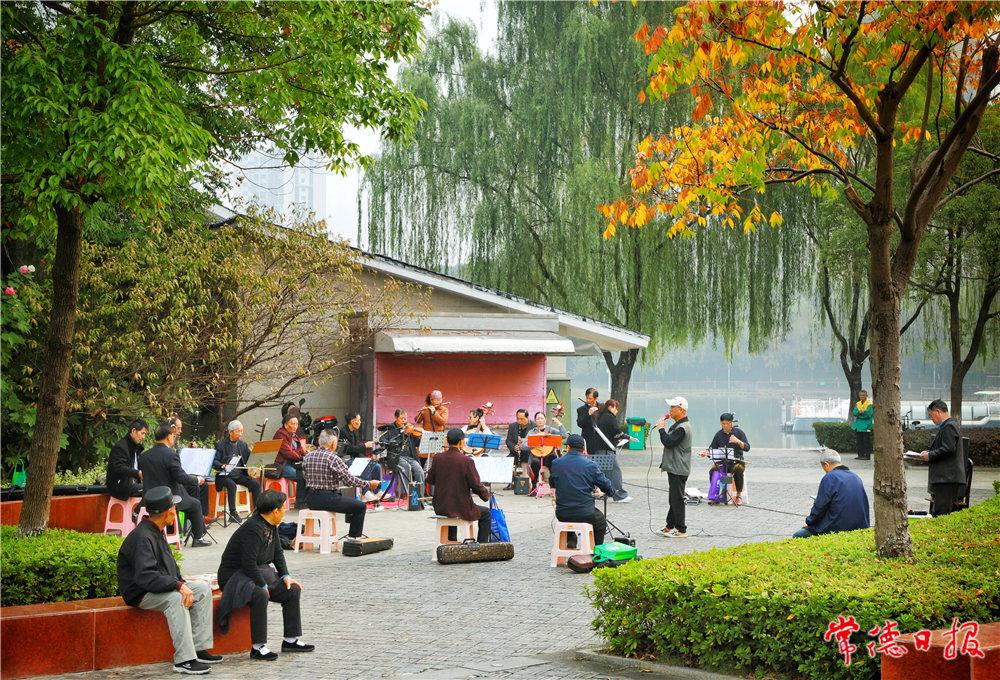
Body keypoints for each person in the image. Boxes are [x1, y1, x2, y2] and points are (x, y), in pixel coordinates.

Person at [116, 486, 219, 675]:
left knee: (202, 590)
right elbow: (145, 577)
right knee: (175, 600)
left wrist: (180, 582)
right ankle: (184, 660)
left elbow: (167, 566)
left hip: (159, 586)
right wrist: (177, 586)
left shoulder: (156, 529)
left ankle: (198, 649)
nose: (176, 511)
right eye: (174, 507)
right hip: (141, 593)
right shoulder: (142, 536)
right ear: (168, 511)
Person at [217, 490, 314, 661]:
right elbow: (248, 563)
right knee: (260, 594)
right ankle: (257, 647)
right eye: (284, 508)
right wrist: (262, 585)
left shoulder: (271, 524)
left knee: (291, 590)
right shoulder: (254, 528)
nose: (285, 511)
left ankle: (290, 640)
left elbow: (277, 552)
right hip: (234, 576)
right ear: (275, 511)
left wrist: (285, 575)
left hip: (254, 572)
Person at [139, 421, 212, 547]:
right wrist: (197, 480)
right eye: (173, 436)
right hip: (170, 498)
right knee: (195, 504)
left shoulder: (144, 456)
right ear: (168, 437)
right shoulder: (171, 455)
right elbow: (181, 478)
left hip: (149, 498)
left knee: (188, 498)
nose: (173, 439)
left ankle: (176, 533)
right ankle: (198, 538)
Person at [302, 429, 382, 538]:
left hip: (311, 499)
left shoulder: (308, 456)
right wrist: (368, 484)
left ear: (318, 441)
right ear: (334, 444)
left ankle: (324, 538)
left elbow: (305, 475)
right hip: (328, 499)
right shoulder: (334, 458)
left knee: (346, 502)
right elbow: (349, 480)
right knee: (360, 506)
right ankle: (353, 538)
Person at [426, 429, 492, 543]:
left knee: (451, 506)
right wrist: (485, 495)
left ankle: (451, 541)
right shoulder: (466, 461)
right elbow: (476, 484)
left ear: (447, 441)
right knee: (486, 513)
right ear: (462, 442)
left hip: (441, 506)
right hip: (461, 507)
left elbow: (430, 480)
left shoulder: (438, 458)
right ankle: (482, 546)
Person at [549, 434, 614, 545]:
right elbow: (606, 485)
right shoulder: (590, 464)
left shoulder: (556, 463)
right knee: (601, 522)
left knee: (570, 516)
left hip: (562, 513)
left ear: (568, 447)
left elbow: (552, 483)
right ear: (583, 449)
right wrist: (610, 492)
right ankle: (596, 553)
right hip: (585, 512)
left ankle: (570, 539)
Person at [793, 450, 870, 538]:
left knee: (797, 535)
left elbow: (820, 506)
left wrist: (810, 522)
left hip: (837, 527)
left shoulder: (830, 477)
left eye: (824, 468)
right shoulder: (855, 477)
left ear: (827, 464)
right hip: (859, 527)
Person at [919, 399, 966, 517]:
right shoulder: (948, 425)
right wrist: (930, 452)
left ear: (938, 411)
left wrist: (930, 455)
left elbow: (948, 448)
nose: (931, 419)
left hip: (947, 478)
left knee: (943, 511)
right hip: (947, 478)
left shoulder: (949, 426)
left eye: (931, 415)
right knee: (946, 510)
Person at [656, 397, 692, 538]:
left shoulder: (682, 428)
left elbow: (668, 442)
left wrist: (661, 429)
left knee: (677, 499)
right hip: (674, 467)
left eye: (673, 408)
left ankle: (681, 529)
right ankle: (669, 526)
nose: (670, 411)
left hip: (679, 468)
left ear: (681, 410)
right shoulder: (678, 425)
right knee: (674, 498)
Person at [213, 420, 261, 523]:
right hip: (225, 475)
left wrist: (257, 460)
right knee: (231, 485)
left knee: (255, 484)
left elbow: (250, 457)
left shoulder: (243, 445)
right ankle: (233, 513)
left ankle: (257, 511)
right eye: (238, 431)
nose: (240, 434)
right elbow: (215, 461)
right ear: (230, 432)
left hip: (239, 474)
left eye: (241, 431)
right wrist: (222, 465)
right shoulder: (221, 445)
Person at [698, 413, 750, 505]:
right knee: (713, 470)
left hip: (737, 461)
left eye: (728, 423)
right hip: (724, 462)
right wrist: (705, 452)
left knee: (739, 469)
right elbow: (711, 448)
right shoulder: (719, 434)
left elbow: (747, 447)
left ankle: (738, 496)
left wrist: (738, 441)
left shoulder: (739, 433)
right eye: (723, 424)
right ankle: (715, 494)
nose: (725, 426)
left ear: (732, 422)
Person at [594, 399, 633, 503]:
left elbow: (610, 432)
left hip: (600, 448)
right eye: (616, 409)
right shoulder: (609, 417)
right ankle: (619, 495)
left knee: (601, 472)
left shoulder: (601, 416)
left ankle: (601, 492)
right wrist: (627, 437)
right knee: (615, 471)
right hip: (606, 449)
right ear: (611, 407)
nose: (616, 411)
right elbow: (616, 431)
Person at [340, 411, 383, 502]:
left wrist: (365, 458)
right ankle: (365, 493)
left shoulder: (354, 432)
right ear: (352, 421)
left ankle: (377, 490)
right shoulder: (343, 432)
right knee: (364, 465)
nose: (360, 422)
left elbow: (357, 450)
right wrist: (364, 446)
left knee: (376, 465)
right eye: (358, 420)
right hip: (347, 459)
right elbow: (349, 449)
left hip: (355, 458)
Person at [380, 409, 426, 488]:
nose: (404, 420)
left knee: (419, 470)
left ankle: (420, 491)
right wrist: (396, 441)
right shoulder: (390, 429)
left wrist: (423, 437)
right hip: (396, 457)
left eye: (405, 418)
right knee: (406, 466)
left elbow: (417, 442)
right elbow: (383, 440)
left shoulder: (408, 429)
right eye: (402, 418)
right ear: (396, 417)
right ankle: (406, 492)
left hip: (410, 457)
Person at [106, 419, 148, 501]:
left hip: (133, 484)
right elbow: (119, 468)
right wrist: (138, 473)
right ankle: (136, 513)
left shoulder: (136, 448)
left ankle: (138, 512)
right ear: (133, 431)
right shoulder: (120, 447)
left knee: (156, 487)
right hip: (120, 486)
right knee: (151, 490)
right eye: (142, 433)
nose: (143, 437)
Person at [523, 411, 566, 486]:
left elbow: (564, 435)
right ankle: (534, 486)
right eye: (538, 419)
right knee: (534, 462)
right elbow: (523, 446)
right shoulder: (532, 432)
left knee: (553, 459)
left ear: (545, 419)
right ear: (535, 421)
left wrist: (558, 423)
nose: (540, 420)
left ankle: (553, 486)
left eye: (542, 418)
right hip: (536, 456)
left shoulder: (551, 430)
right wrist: (535, 443)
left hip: (549, 455)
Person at [274, 414, 307, 508]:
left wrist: (308, 456)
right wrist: (301, 458)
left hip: (293, 463)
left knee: (309, 474)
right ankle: (299, 502)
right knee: (301, 477)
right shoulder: (280, 434)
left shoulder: (294, 436)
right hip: (282, 465)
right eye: (293, 424)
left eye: (297, 424)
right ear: (285, 425)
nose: (295, 426)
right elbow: (287, 453)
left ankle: (306, 500)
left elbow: (301, 450)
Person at [505, 409, 532, 488]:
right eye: (517, 418)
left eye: (522, 419)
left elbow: (536, 440)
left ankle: (526, 481)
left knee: (526, 458)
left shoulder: (533, 425)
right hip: (516, 452)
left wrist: (526, 441)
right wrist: (514, 447)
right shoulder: (512, 426)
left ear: (527, 418)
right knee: (506, 461)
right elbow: (508, 441)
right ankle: (512, 482)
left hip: (528, 452)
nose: (519, 421)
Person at [576, 388, 600, 455]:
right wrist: (588, 414)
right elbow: (580, 424)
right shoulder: (581, 409)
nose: (588, 400)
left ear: (596, 399)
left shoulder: (601, 408)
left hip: (600, 441)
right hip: (588, 440)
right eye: (587, 398)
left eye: (590, 398)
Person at [852, 390, 874, 461]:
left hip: (866, 425)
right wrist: (860, 412)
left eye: (863, 395)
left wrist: (861, 414)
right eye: (860, 395)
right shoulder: (857, 404)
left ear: (866, 396)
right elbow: (855, 412)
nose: (861, 396)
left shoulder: (869, 404)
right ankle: (860, 454)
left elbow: (868, 414)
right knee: (859, 441)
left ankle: (867, 455)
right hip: (859, 425)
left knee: (866, 441)